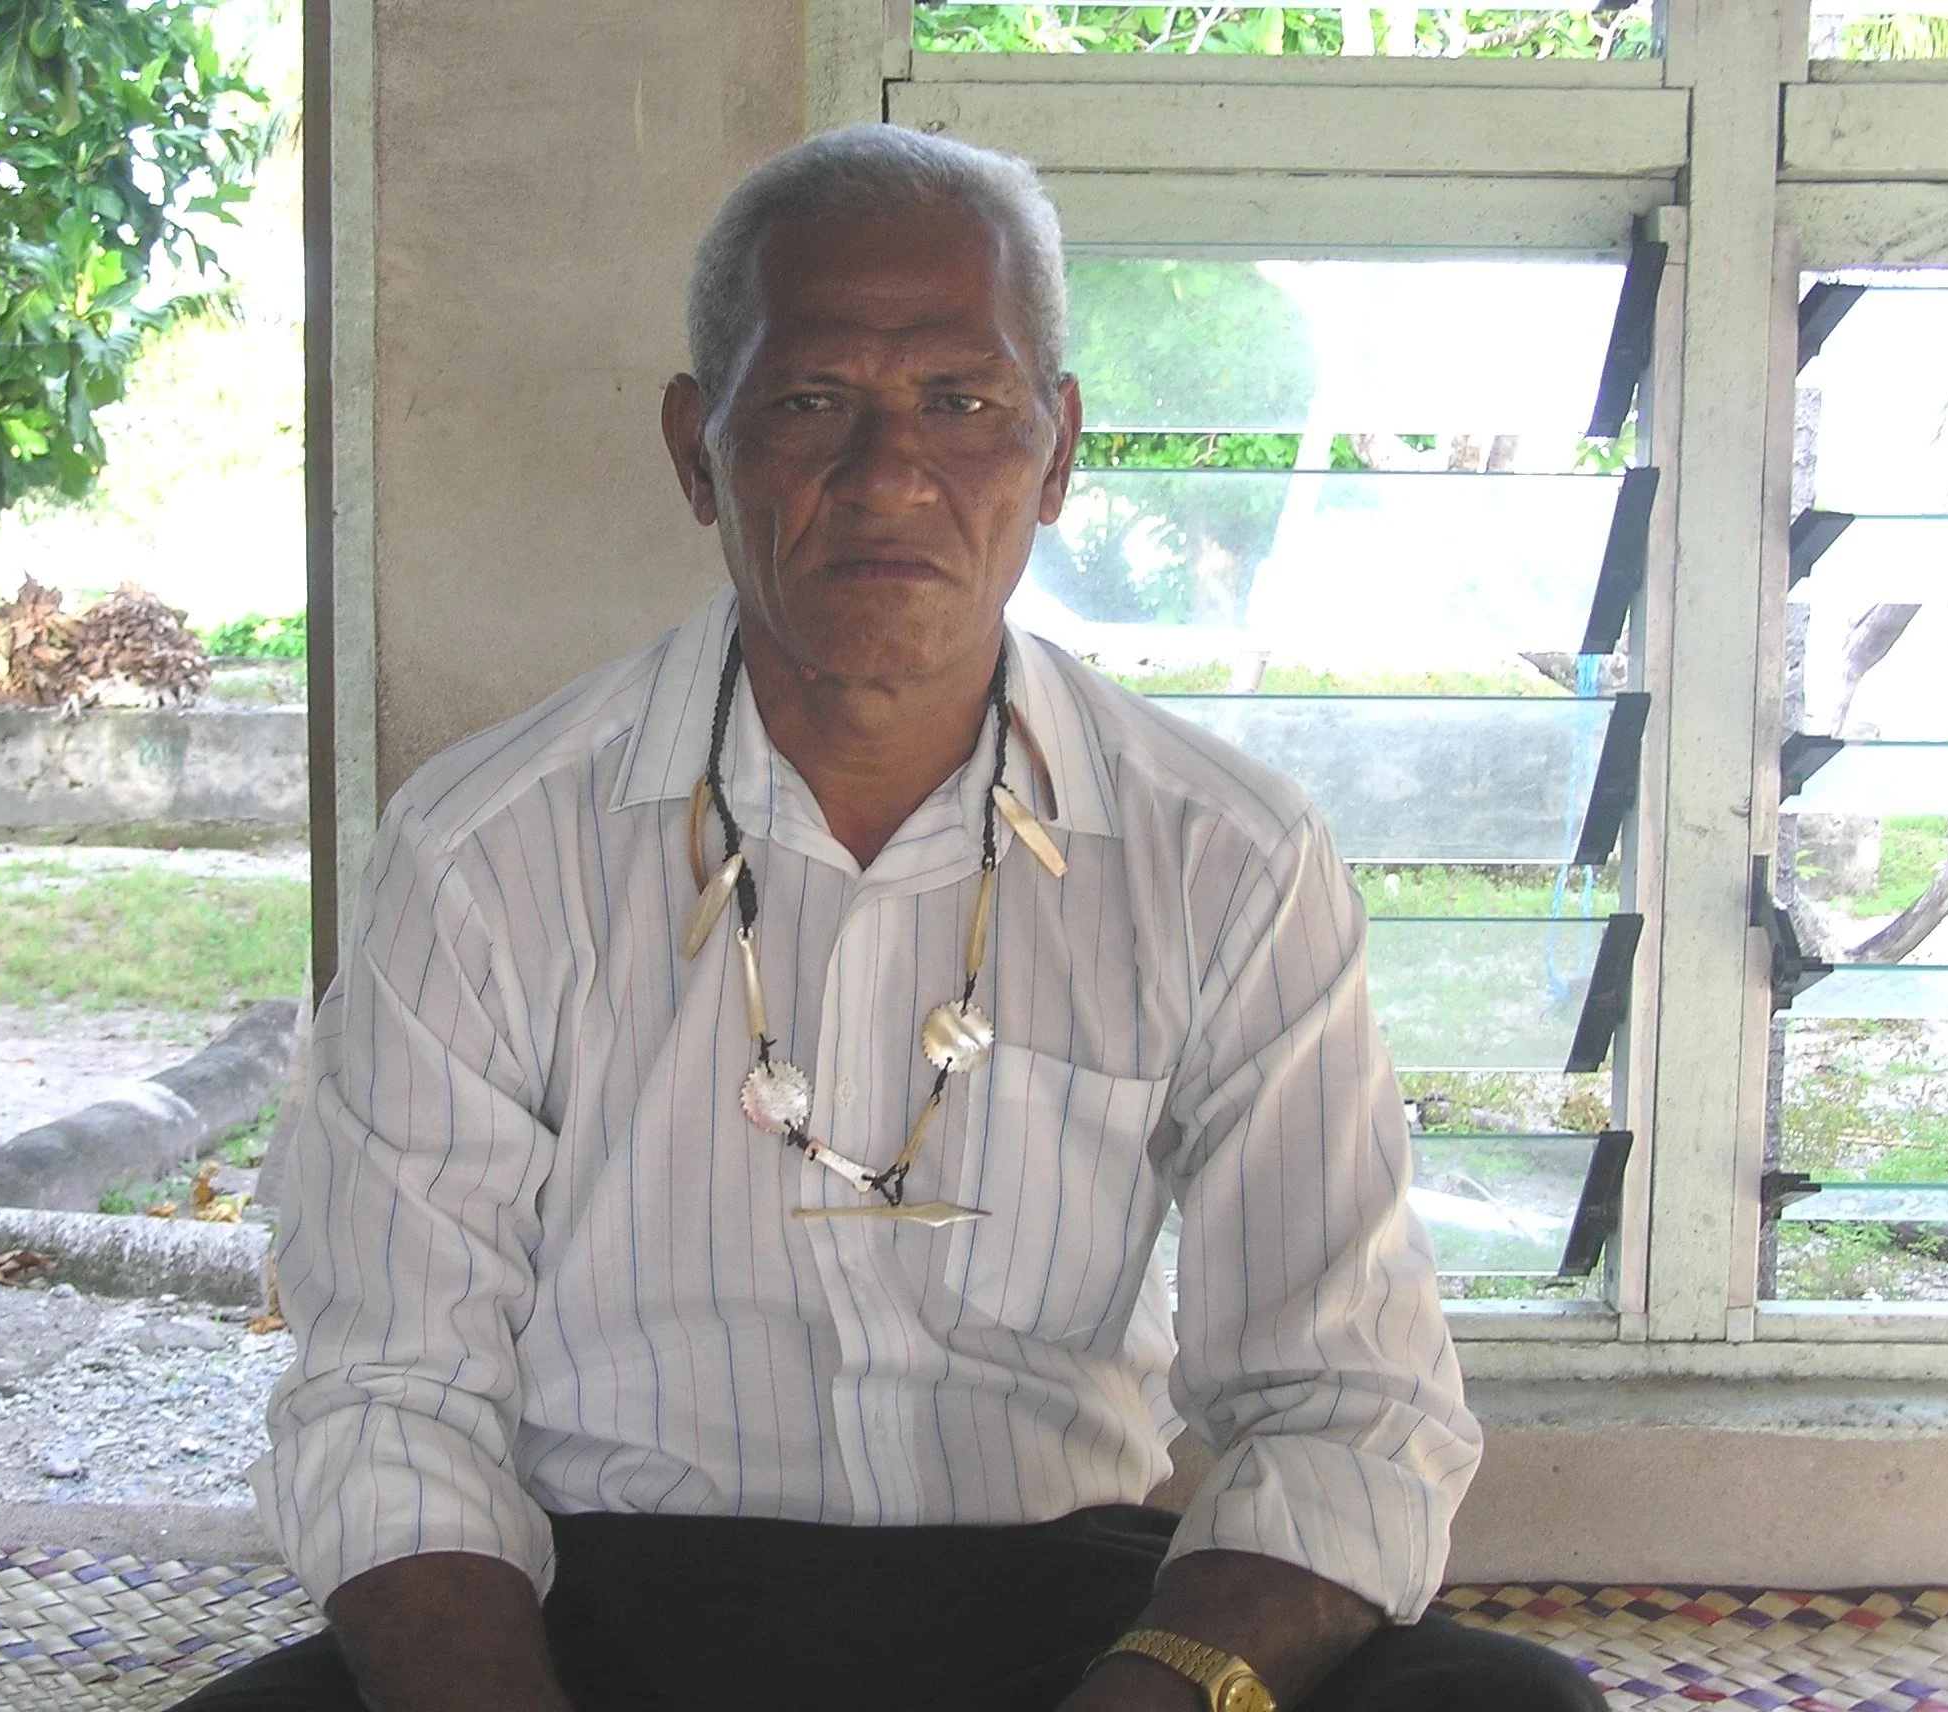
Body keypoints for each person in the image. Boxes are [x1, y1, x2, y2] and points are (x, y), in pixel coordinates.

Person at [178, 126, 1605, 1712]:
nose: (890, 476)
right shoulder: (482, 849)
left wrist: (1151, 1697)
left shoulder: (1229, 858)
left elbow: (1347, 1404)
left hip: (1071, 1609)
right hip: (612, 1609)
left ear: (1057, 451)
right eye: (810, 404)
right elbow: (392, 1395)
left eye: (963, 402)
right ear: (694, 447)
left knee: (1502, 1711)